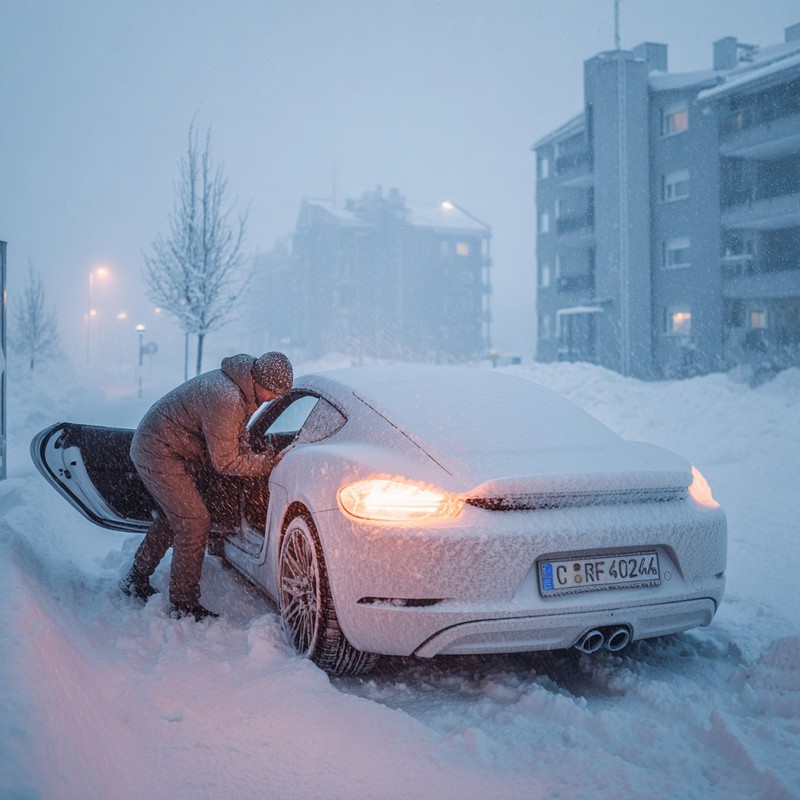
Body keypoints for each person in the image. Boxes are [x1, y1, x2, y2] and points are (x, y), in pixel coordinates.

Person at [120, 351, 293, 620]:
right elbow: (225, 461)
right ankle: (183, 603)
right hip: (158, 452)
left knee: (174, 517)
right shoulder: (227, 398)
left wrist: (255, 457)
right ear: (259, 381)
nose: (273, 398)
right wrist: (268, 465)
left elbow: (237, 436)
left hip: (171, 448)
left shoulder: (241, 388)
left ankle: (136, 576)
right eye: (273, 393)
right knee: (193, 522)